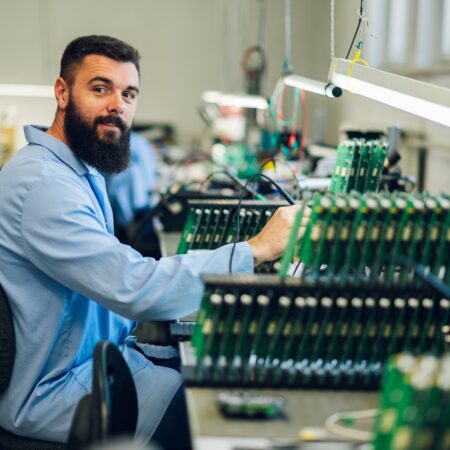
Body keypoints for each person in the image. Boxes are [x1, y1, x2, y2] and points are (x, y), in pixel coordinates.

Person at [0, 35, 300, 447]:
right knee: (227, 416)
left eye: (129, 93)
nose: (117, 105)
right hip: (57, 393)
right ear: (62, 92)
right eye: (100, 88)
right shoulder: (42, 185)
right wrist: (257, 249)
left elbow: (119, 280)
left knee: (222, 372)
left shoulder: (75, 170)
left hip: (97, 362)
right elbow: (134, 287)